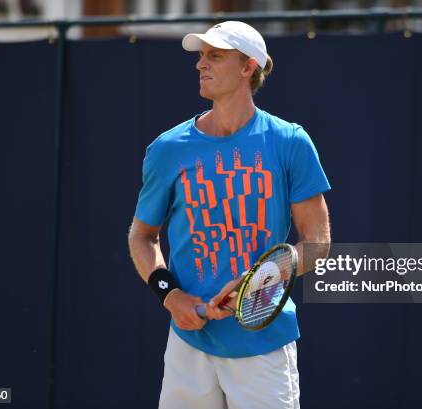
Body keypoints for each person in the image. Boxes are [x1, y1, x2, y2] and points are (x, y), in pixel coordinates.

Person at [128, 20, 331, 409]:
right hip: (189, 343)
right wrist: (169, 295)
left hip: (263, 344)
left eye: (215, 56)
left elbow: (318, 243)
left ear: (247, 66)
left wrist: (262, 277)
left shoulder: (290, 141)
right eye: (201, 56)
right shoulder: (168, 149)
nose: (200, 64)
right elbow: (142, 236)